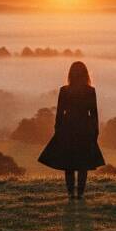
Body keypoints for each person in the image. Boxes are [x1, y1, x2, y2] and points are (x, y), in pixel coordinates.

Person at [38, 61, 105, 199]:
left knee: (68, 163)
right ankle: (80, 194)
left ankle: (70, 194)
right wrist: (95, 132)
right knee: (83, 164)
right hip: (85, 129)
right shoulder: (90, 91)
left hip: (67, 129)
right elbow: (94, 114)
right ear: (86, 74)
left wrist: (58, 130)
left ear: (70, 74)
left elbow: (59, 113)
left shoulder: (64, 90)